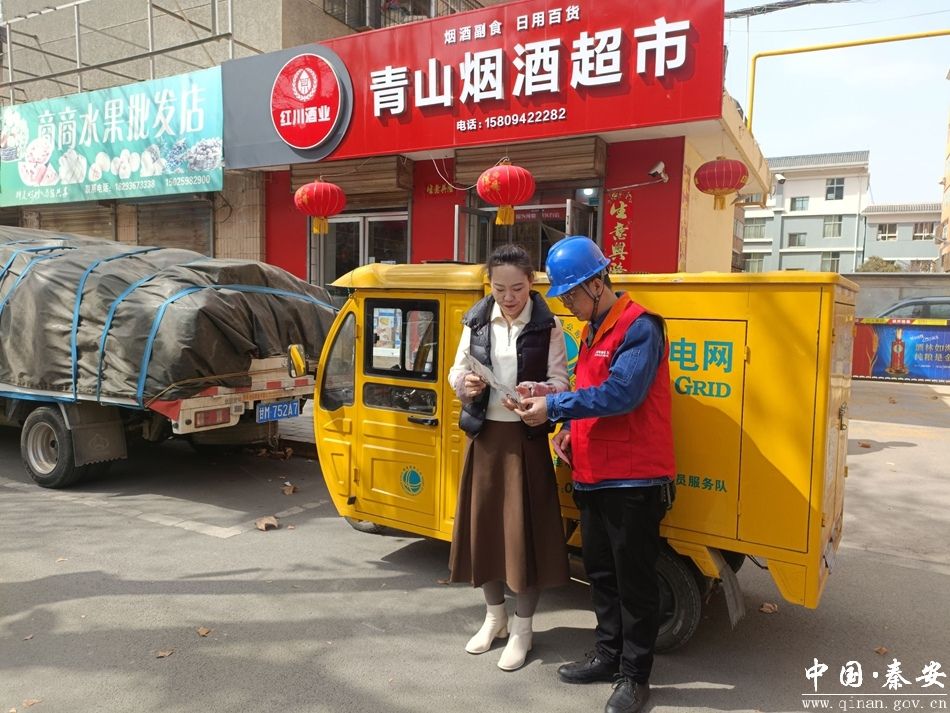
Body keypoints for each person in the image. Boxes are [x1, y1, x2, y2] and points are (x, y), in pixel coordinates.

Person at [515, 236, 675, 713]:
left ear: (597, 284)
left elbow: (623, 393)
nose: (566, 304)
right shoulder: (592, 330)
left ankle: (635, 677)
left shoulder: (640, 327)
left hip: (633, 481)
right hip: (593, 474)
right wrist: (567, 426)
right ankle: (608, 655)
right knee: (601, 574)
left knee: (634, 582)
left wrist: (553, 408)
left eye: (570, 295)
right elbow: (590, 392)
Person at [446, 243, 570, 672]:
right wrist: (465, 384)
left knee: (524, 537)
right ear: (490, 286)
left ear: (531, 283)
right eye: (499, 289)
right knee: (485, 531)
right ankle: (494, 618)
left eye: (517, 288)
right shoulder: (476, 320)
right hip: (484, 439)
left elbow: (561, 381)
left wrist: (537, 392)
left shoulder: (548, 325)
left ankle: (523, 628)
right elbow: (456, 370)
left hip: (525, 442)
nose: (508, 297)